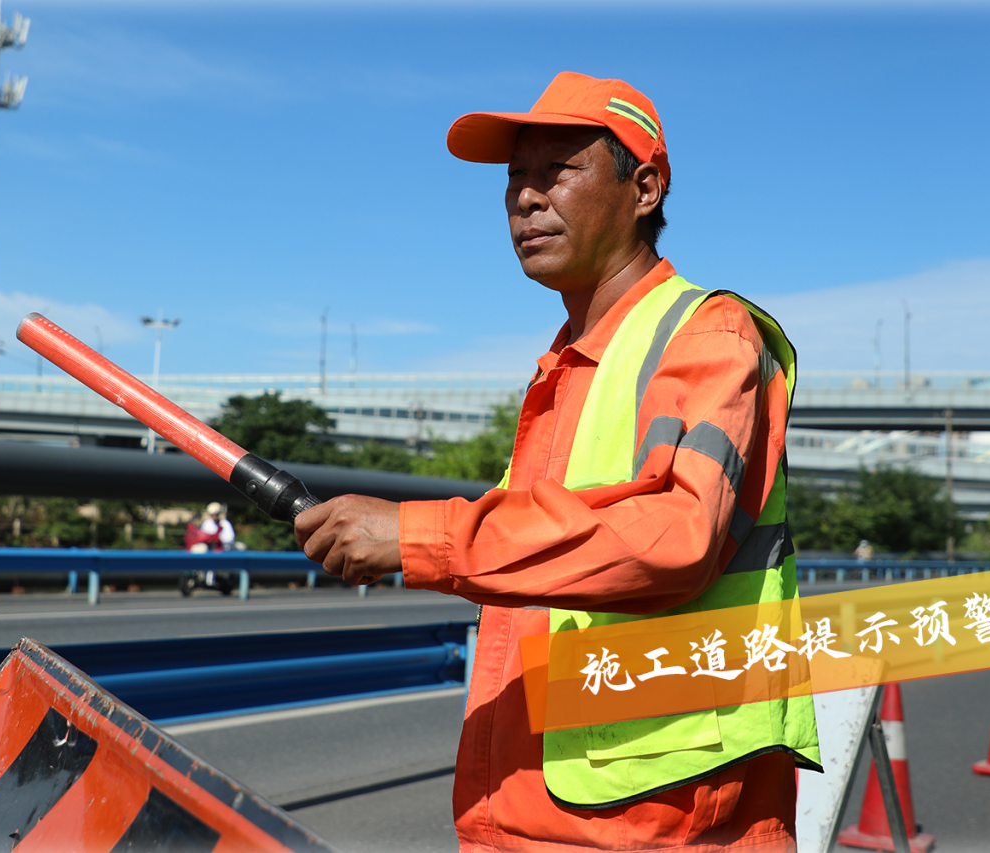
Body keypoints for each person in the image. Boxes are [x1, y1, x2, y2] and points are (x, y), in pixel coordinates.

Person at [295, 72, 819, 851]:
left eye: (556, 171)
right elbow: (539, 553)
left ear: (644, 190)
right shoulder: (567, 366)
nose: (526, 199)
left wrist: (416, 537)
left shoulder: (706, 334)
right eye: (515, 178)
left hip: (659, 823)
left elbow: (677, 533)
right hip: (541, 812)